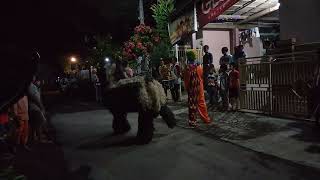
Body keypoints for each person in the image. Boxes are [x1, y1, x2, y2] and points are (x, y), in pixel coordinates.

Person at [184, 51, 212, 127]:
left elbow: (187, 80)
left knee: (192, 105)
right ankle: (206, 119)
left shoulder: (188, 68)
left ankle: (192, 121)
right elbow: (202, 76)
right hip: (200, 87)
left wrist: (187, 88)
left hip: (192, 88)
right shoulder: (199, 67)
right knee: (202, 103)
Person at [28, 76, 49, 143]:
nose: (34, 77)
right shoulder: (30, 86)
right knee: (39, 123)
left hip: (36, 107)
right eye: (33, 76)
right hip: (34, 107)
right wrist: (41, 106)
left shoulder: (33, 85)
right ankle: (40, 139)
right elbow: (35, 98)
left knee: (36, 123)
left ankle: (36, 137)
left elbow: (38, 97)